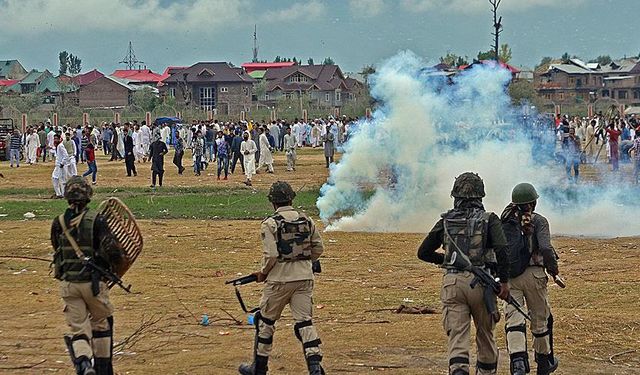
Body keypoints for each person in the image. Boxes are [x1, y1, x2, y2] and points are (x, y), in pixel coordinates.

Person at [417, 172, 510, 375]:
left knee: (458, 337)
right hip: (482, 285)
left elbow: (423, 252)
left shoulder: (446, 220)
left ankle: (459, 371)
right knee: (486, 336)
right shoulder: (489, 220)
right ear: (481, 196)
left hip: (452, 283)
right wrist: (504, 282)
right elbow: (503, 250)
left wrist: (447, 260)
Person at [239, 181, 325, 375]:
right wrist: (304, 261)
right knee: (304, 322)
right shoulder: (307, 220)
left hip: (278, 281)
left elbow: (271, 255)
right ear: (291, 199)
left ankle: (259, 368)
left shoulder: (270, 223)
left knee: (266, 321)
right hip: (304, 278)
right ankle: (314, 368)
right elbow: (318, 248)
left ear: (273, 202)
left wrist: (262, 273)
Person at [51, 176, 122, 375]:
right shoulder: (97, 221)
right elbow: (113, 252)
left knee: (79, 328)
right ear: (88, 196)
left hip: (69, 286)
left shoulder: (58, 223)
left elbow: (57, 250)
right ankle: (102, 368)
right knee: (101, 324)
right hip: (93, 284)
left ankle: (83, 364)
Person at [501, 183, 559, 375]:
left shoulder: (505, 221)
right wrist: (553, 269)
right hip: (534, 276)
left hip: (510, 277)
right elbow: (545, 248)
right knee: (540, 318)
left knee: (514, 319)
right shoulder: (540, 221)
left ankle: (518, 363)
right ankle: (544, 362)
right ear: (533, 202)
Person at [52, 133, 69, 199]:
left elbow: (66, 155)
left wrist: (62, 163)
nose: (55, 140)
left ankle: (61, 194)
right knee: (55, 178)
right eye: (54, 139)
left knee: (61, 180)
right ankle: (59, 194)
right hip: (58, 165)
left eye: (56, 139)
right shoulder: (58, 146)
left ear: (59, 139)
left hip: (61, 165)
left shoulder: (60, 146)